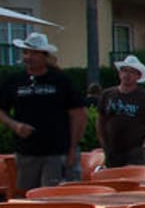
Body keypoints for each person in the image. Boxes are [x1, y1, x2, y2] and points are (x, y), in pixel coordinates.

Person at [0, 31, 86, 189]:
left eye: (34, 53)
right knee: (28, 195)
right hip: (26, 152)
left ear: (44, 56)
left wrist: (73, 148)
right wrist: (15, 126)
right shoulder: (14, 81)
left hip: (56, 152)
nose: (28, 57)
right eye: (26, 53)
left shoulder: (61, 80)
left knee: (52, 194)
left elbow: (78, 115)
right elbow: (1, 110)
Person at [97, 55, 145, 168]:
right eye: (124, 71)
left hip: (135, 151)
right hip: (112, 149)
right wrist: (102, 141)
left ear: (138, 76)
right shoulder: (107, 95)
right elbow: (101, 120)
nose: (127, 75)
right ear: (119, 73)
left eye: (132, 72)